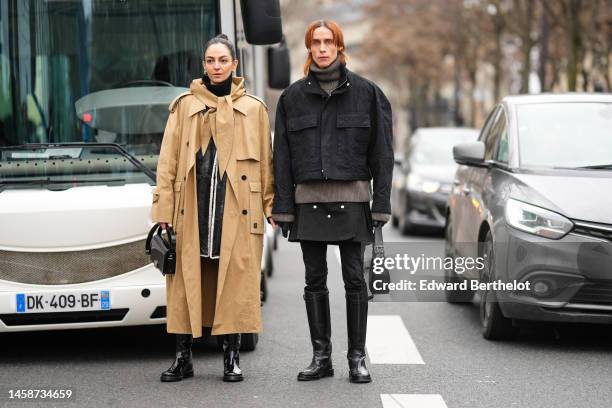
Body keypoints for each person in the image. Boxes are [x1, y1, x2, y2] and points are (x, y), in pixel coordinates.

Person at [271, 20, 393, 384]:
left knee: (356, 280)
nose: (322, 48)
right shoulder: (291, 98)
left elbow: (383, 153)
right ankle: (321, 358)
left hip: (354, 201)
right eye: (316, 42)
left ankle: (357, 358)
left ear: (340, 47)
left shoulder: (368, 93)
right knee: (314, 280)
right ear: (308, 49)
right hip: (308, 202)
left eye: (329, 42)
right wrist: (283, 207)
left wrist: (381, 205)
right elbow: (282, 158)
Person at [151, 34, 274, 383]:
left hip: (237, 209)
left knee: (234, 284)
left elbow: (266, 163)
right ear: (203, 65)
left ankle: (231, 357)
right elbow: (168, 162)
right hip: (192, 207)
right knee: (184, 284)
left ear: (234, 65)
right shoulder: (184, 106)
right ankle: (182, 357)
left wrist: (271, 207)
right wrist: (163, 209)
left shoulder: (254, 109)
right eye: (210, 61)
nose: (216, 67)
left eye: (223, 60)